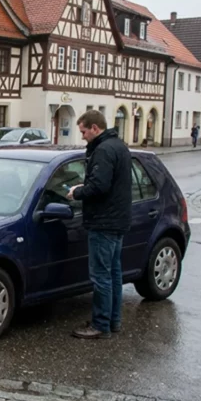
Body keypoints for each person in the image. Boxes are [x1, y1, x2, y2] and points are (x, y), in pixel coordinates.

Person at [66, 109, 132, 340]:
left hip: (104, 221)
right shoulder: (119, 146)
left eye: (83, 131)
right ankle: (113, 321)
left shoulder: (103, 150)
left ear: (95, 128)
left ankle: (100, 324)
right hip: (117, 220)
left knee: (101, 276)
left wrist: (77, 192)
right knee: (113, 273)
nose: (82, 136)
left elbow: (99, 186)